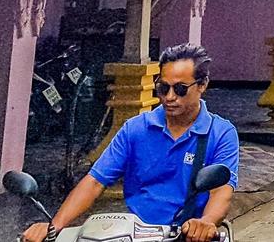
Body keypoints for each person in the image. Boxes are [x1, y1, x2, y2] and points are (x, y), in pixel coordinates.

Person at [22, 44, 238, 242]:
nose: (170, 97)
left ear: (202, 85)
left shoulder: (221, 133)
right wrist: (53, 228)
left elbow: (221, 191)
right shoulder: (135, 128)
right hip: (135, 234)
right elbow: (95, 181)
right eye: (163, 88)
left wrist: (206, 222)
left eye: (180, 89)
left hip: (188, 236)